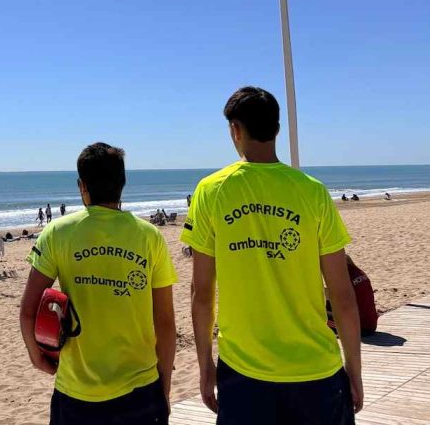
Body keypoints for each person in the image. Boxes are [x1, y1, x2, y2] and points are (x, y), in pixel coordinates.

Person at [182, 87, 362, 424]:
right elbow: (342, 294)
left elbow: (201, 293)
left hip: (243, 373)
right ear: (277, 129)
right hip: (316, 370)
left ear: (235, 129)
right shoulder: (312, 191)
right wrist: (354, 369)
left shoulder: (210, 191)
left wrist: (206, 366)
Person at [20, 142, 177, 425]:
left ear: (82, 186)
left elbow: (28, 311)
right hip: (140, 391)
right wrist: (163, 388)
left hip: (76, 394)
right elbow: (165, 322)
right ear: (122, 184)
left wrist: (36, 357)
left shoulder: (57, 232)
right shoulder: (150, 237)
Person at [327, 255, 379, 335]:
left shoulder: (344, 277)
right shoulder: (359, 272)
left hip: (361, 328)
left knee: (319, 315)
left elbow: (344, 306)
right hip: (371, 323)